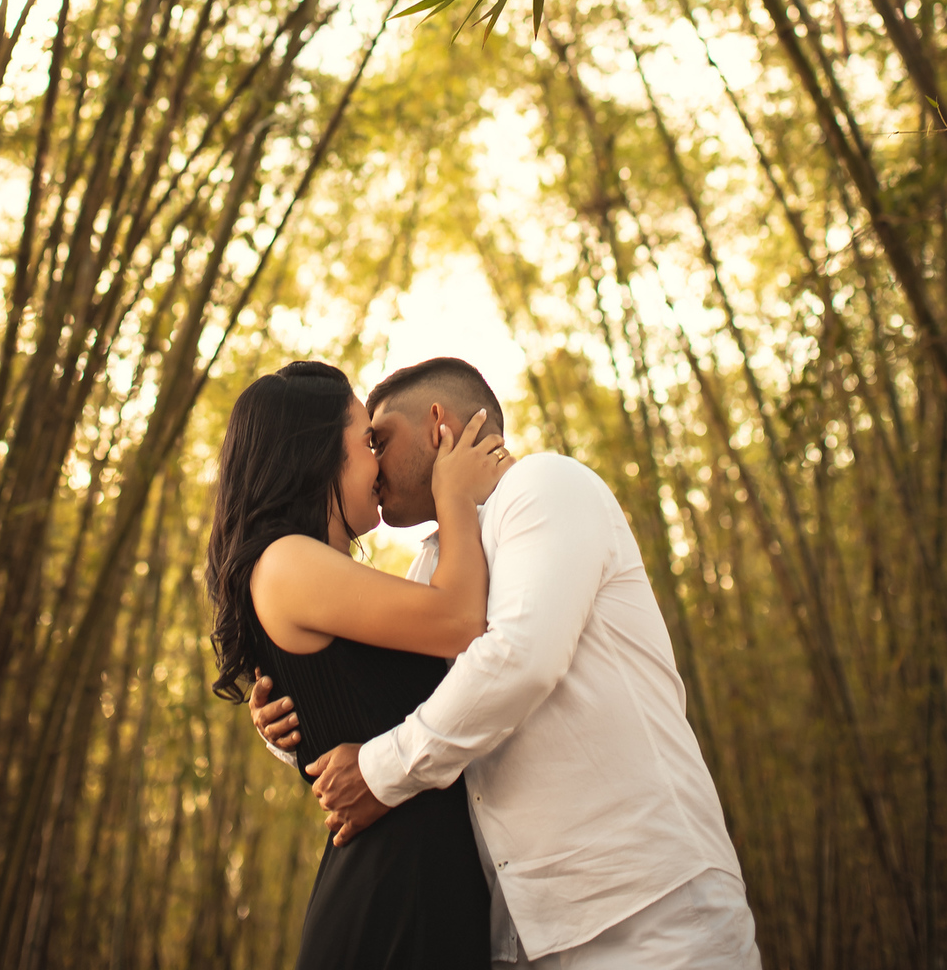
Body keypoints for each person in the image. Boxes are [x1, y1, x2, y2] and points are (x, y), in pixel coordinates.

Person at [252, 356, 762, 970]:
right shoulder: (437, 568)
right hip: (522, 934)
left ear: (439, 425)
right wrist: (290, 721)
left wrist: (379, 774)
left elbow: (519, 659)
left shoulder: (545, 488)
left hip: (647, 911)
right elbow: (407, 702)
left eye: (379, 440)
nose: (373, 465)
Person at [206, 357, 514, 969]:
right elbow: (460, 623)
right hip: (393, 901)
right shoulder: (288, 561)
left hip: (424, 888)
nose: (378, 461)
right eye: (366, 440)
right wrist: (453, 494)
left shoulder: (312, 573)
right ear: (319, 453)